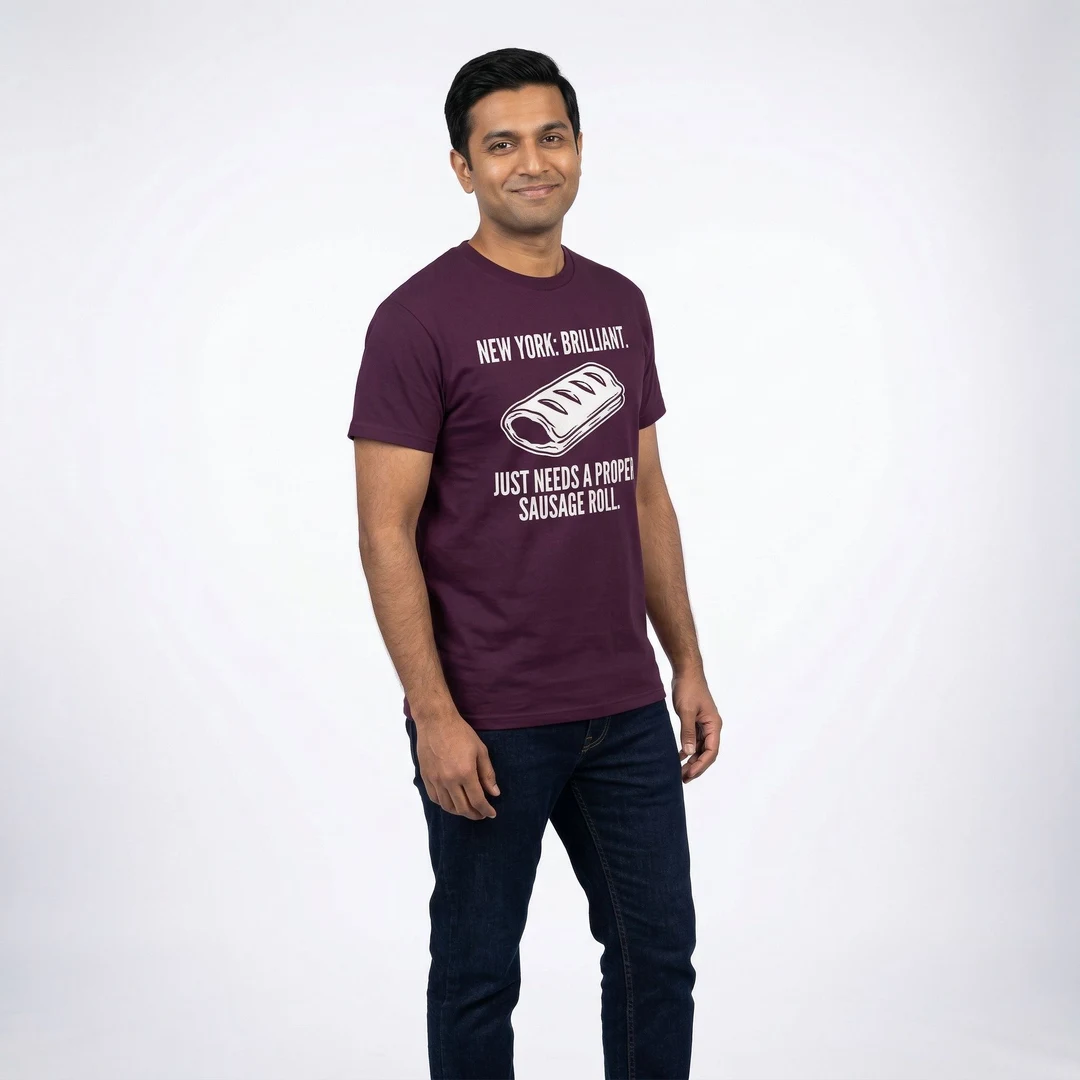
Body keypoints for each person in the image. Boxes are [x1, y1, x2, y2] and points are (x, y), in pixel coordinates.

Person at [347, 46, 722, 1080]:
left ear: (580, 149)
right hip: (490, 714)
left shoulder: (620, 302)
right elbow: (384, 532)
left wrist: (686, 663)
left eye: (550, 137)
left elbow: (644, 493)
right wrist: (434, 713)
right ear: (462, 167)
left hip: (625, 708)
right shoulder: (417, 320)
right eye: (501, 144)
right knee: (477, 974)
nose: (532, 162)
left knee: (658, 959)